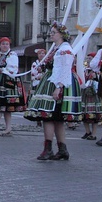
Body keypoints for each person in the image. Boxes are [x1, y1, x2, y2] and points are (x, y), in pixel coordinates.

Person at [23, 22, 82, 160]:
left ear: (61, 34)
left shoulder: (65, 49)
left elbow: (66, 69)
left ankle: (48, 149)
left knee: (48, 116)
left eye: (53, 32)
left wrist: (58, 87)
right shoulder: (57, 48)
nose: (51, 34)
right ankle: (62, 149)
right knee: (56, 119)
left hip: (58, 83)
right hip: (52, 81)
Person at [80, 56, 102, 141]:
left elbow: (100, 80)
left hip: (94, 95)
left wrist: (95, 76)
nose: (88, 60)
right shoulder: (85, 70)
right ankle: (87, 131)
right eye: (88, 58)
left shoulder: (98, 70)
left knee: (94, 115)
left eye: (90, 58)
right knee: (84, 114)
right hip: (85, 94)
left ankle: (93, 134)